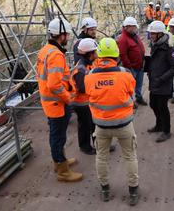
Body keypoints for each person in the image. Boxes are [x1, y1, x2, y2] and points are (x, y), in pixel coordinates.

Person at [84, 38, 140, 206]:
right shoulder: (125, 74)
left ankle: (105, 190)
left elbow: (89, 95)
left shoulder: (89, 76)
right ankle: (133, 192)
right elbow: (132, 93)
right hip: (124, 124)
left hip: (101, 125)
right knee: (130, 156)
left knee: (101, 157)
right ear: (116, 54)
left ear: (99, 55)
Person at [37, 17, 83, 182]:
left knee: (56, 135)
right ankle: (62, 171)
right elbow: (54, 84)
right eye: (67, 35)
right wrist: (68, 98)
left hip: (49, 102)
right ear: (61, 35)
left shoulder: (45, 50)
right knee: (58, 137)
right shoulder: (56, 54)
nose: (68, 38)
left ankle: (59, 161)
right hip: (57, 103)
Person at [147, 21, 174, 142]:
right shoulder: (155, 45)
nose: (151, 36)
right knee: (153, 104)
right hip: (154, 82)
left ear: (160, 34)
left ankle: (166, 131)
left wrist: (162, 78)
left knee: (162, 107)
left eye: (153, 34)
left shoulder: (169, 49)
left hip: (163, 83)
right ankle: (159, 125)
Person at [70, 38, 98, 155]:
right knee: (85, 126)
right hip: (82, 104)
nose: (96, 54)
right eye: (94, 52)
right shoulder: (81, 70)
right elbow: (82, 88)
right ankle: (85, 146)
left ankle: (98, 145)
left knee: (94, 125)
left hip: (88, 102)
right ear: (88, 54)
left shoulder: (87, 65)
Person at [117, 17, 147, 106]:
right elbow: (123, 54)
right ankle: (130, 101)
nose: (135, 29)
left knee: (139, 84)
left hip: (139, 65)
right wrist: (129, 66)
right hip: (132, 67)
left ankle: (139, 97)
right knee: (130, 86)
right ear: (127, 27)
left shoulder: (134, 35)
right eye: (133, 27)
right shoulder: (123, 39)